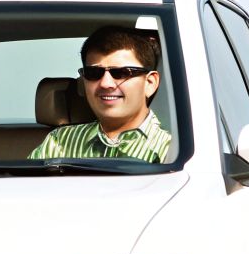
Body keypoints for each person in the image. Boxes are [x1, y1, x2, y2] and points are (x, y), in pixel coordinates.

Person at [28, 25, 173, 162]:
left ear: (150, 83)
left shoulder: (172, 149)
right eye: (94, 73)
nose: (106, 83)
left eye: (122, 73)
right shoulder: (60, 142)